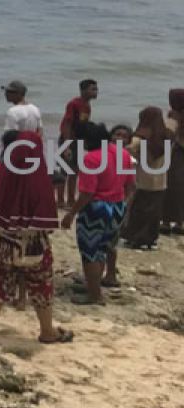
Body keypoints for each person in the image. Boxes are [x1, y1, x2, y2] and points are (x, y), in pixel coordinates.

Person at [0, 130, 71, 349]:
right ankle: (47, 331)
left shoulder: (4, 173)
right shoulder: (39, 177)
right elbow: (46, 214)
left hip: (2, 239)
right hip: (33, 243)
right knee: (41, 285)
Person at [63, 122, 133, 305]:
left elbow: (87, 193)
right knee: (103, 248)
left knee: (89, 252)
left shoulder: (91, 159)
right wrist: (124, 205)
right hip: (117, 206)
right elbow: (131, 186)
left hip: (96, 209)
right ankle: (94, 286)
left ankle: (94, 295)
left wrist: (71, 213)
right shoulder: (123, 154)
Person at [122, 110, 169, 249]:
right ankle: (150, 239)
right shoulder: (165, 136)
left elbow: (127, 153)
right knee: (154, 213)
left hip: (143, 180)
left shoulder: (139, 139)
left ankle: (134, 237)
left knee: (138, 211)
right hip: (160, 181)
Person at [57, 79, 99, 208]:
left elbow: (83, 126)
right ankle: (60, 200)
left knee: (75, 171)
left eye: (96, 89)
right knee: (64, 170)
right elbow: (67, 124)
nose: (96, 92)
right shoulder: (74, 104)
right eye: (93, 89)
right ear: (83, 90)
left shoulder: (87, 105)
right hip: (68, 140)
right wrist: (67, 145)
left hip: (79, 142)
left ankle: (71, 199)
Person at [164, 89, 184, 235]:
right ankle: (178, 222)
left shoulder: (174, 115)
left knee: (172, 186)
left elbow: (169, 135)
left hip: (177, 153)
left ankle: (167, 221)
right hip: (176, 151)